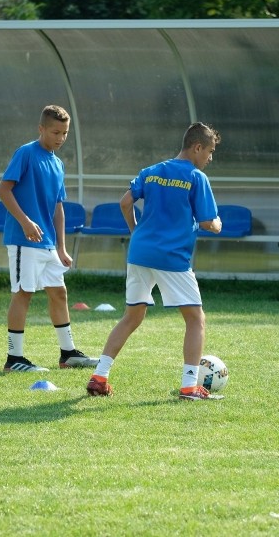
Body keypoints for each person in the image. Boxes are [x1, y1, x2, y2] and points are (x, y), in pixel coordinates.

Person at [86, 122, 224, 400]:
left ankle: (99, 376)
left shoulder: (151, 172)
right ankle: (189, 386)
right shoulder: (196, 177)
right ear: (197, 147)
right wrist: (218, 224)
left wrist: (135, 231)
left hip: (139, 253)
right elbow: (209, 222)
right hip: (171, 256)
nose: (210, 158)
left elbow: (125, 202)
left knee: (131, 317)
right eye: (209, 152)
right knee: (195, 319)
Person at [0, 104, 98, 372]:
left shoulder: (58, 163)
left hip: (48, 243)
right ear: (41, 129)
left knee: (59, 293)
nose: (60, 138)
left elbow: (57, 208)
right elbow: (3, 190)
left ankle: (68, 354)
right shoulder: (26, 153)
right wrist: (25, 221)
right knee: (23, 293)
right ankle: (14, 359)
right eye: (55, 132)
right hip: (23, 239)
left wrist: (62, 248)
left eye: (65, 133)